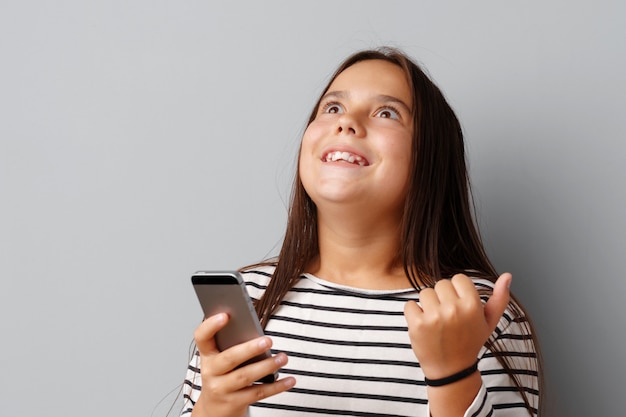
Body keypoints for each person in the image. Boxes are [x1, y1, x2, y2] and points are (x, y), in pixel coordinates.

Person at [180, 47, 541, 417]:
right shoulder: (251, 300)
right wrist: (214, 409)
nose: (346, 123)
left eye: (387, 113)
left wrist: (453, 377)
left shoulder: (473, 313)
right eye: (332, 108)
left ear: (430, 160)